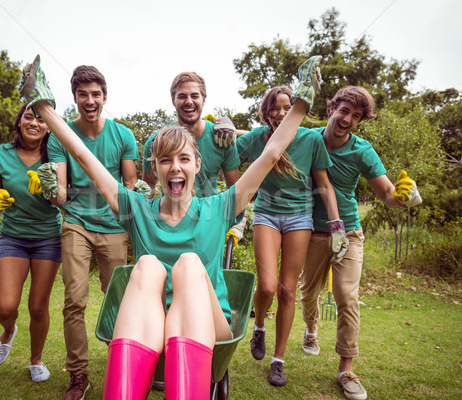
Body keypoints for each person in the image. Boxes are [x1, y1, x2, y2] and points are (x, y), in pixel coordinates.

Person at [18, 54, 321, 399]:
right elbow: (85, 158)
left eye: (183, 159)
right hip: (150, 321)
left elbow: (269, 154)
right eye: (165, 160)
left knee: (189, 265)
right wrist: (42, 107)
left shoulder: (219, 207)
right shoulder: (137, 209)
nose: (174, 167)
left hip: (211, 323)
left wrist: (301, 103)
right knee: (145, 266)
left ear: (197, 164)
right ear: (156, 168)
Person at [298, 86, 422, 400]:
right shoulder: (308, 138)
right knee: (308, 291)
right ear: (331, 108)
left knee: (346, 297)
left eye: (355, 116)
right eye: (344, 110)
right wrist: (231, 130)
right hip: (313, 232)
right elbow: (269, 137)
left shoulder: (362, 151)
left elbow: (388, 196)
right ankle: (311, 328)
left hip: (349, 233)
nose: (347, 119)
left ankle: (346, 368)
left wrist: (405, 196)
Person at [36, 64, 139, 399]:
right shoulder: (60, 137)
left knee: (118, 301)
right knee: (74, 301)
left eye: (96, 94)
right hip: (76, 224)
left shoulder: (122, 136)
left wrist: (139, 203)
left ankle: (120, 366)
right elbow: (62, 194)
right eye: (83, 95)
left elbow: (129, 185)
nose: (90, 100)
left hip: (113, 227)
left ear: (104, 97)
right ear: (75, 98)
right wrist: (52, 190)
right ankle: (78, 375)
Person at [235, 86, 345, 387]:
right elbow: (229, 146)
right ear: (266, 111)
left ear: (297, 109)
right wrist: (222, 127)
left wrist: (336, 223)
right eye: (274, 107)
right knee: (268, 286)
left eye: (287, 107)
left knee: (287, 290)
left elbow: (324, 182)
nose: (281, 113)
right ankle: (258, 327)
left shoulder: (311, 139)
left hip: (300, 218)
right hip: (267, 215)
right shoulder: (258, 138)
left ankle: (278, 361)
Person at [0, 104, 62, 383]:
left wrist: (50, 191)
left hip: (48, 238)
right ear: (19, 122)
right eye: (28, 117)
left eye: (42, 119)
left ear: (50, 127)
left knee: (38, 308)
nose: (34, 123)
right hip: (13, 237)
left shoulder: (55, 157)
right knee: (5, 307)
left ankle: (36, 360)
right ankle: (8, 331)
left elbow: (65, 198)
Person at [141, 71, 241, 199]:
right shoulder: (155, 142)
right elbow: (149, 186)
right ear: (173, 100)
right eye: (182, 96)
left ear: (203, 99)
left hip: (209, 215)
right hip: (169, 215)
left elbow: (233, 189)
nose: (189, 101)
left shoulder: (222, 137)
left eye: (195, 96)